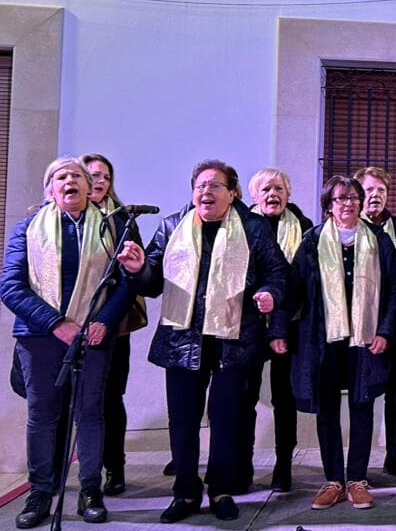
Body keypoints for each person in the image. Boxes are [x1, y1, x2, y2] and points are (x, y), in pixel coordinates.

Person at [124, 159, 287, 523]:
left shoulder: (253, 227)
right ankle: (185, 490)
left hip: (235, 340)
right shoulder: (172, 226)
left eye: (215, 185)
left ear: (232, 193)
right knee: (183, 421)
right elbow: (152, 282)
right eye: (200, 185)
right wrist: (137, 270)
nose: (206, 191)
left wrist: (269, 293)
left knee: (227, 420)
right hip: (183, 339)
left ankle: (221, 489)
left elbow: (277, 272)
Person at [2, 157, 137, 528]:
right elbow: (10, 286)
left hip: (93, 336)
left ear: (89, 188)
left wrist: (104, 321)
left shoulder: (110, 226)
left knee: (91, 413)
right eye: (61, 176)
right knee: (43, 416)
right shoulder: (28, 227)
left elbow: (126, 283)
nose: (70, 181)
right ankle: (41, 491)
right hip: (40, 338)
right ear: (50, 189)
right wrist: (56, 323)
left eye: (77, 175)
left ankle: (91, 489)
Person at [276, 176, 396, 511]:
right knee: (327, 409)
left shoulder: (378, 240)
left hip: (364, 340)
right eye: (340, 198)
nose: (348, 203)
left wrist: (385, 332)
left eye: (353, 198)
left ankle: (357, 479)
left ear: (361, 204)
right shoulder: (312, 240)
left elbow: (395, 292)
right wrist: (278, 332)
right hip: (322, 340)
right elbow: (293, 291)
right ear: (329, 205)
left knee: (362, 407)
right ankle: (333, 479)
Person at [81, 153, 145, 499]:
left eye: (105, 176)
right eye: (92, 175)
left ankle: (114, 467)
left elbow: (132, 278)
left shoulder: (123, 221)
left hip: (112, 325)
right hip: (68, 325)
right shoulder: (59, 219)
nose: (99, 181)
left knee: (109, 397)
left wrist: (105, 320)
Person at [245, 167, 312, 492]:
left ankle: (283, 466)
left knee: (285, 400)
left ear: (288, 194)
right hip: (248, 324)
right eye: (266, 189)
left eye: (279, 189)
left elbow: (303, 283)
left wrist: (282, 326)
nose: (273, 195)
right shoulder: (240, 226)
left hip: (291, 325)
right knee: (244, 399)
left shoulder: (305, 228)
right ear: (253, 195)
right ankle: (242, 465)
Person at [353, 166, 396, 482]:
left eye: (381, 190)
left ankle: (394, 455)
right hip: (364, 329)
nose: (375, 195)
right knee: (364, 396)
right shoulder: (350, 228)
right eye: (369, 190)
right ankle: (358, 465)